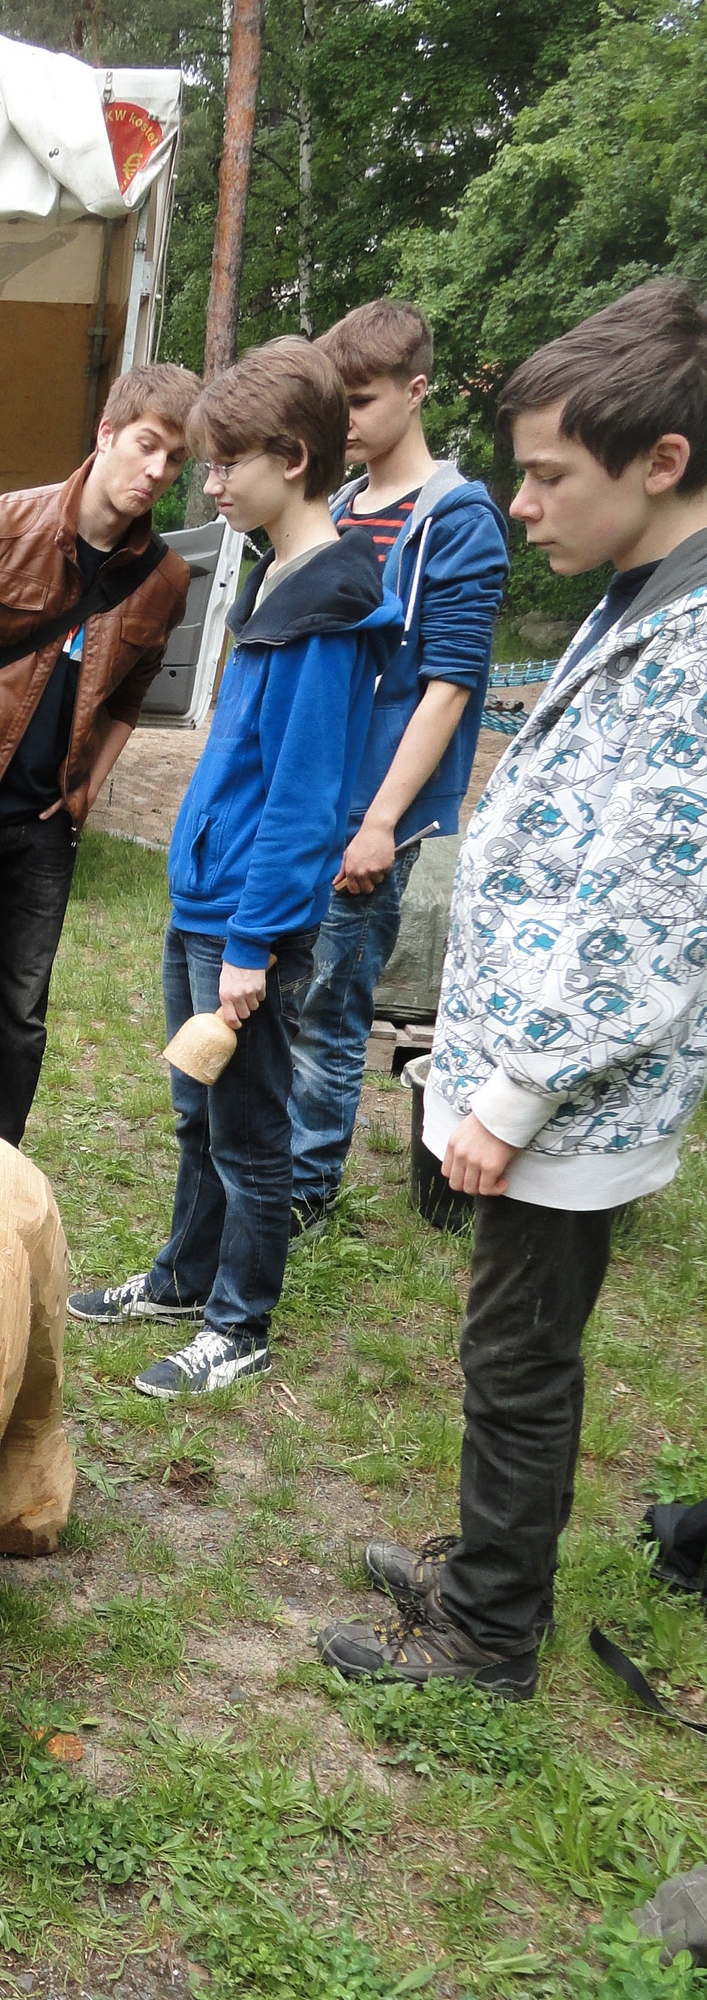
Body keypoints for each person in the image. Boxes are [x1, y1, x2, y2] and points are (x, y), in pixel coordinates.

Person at [322, 280, 707, 1702]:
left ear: (661, 461)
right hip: (543, 1083)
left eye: (549, 475)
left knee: (518, 1359)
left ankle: (488, 1636)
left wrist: (517, 1092)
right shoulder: (638, 600)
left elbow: (648, 923)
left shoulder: (695, 651)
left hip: (568, 1096)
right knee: (511, 1345)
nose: (522, 503)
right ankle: (488, 1572)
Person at [68, 338, 402, 1396]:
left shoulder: (331, 606)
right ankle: (182, 1279)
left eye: (223, 465)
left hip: (245, 927)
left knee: (250, 1134)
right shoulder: (276, 575)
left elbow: (303, 804)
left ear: (292, 460)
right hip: (204, 905)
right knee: (196, 1113)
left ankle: (238, 1324)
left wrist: (254, 946)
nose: (207, 485)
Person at [0, 362, 199, 1142]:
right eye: (146, 445)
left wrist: (86, 790)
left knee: (23, 1012)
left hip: (43, 830)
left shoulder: (165, 580)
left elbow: (129, 697)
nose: (157, 470)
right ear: (106, 433)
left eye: (175, 459)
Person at [286, 300, 508, 1231]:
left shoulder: (459, 520)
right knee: (289, 987)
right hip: (312, 798)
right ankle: (271, 1167)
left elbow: (451, 687)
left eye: (361, 401)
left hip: (378, 811)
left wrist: (382, 823)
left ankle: (305, 1193)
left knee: (333, 1004)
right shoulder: (338, 509)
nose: (343, 421)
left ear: (417, 392)